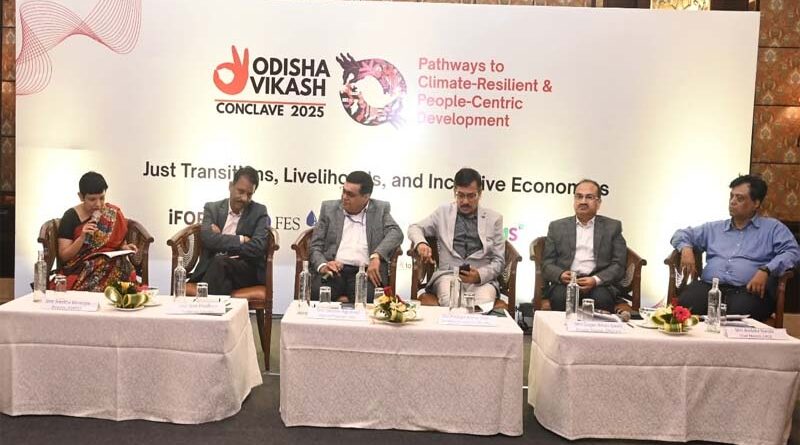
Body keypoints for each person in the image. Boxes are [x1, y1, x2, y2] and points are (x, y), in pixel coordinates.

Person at [670, 174, 799, 321]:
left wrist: (766, 269)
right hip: (709, 287)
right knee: (686, 303)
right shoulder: (714, 228)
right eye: (731, 196)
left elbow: (792, 252)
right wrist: (686, 248)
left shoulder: (772, 229)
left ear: (756, 203)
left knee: (741, 313)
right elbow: (680, 234)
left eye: (740, 198)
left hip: (748, 290)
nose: (732, 202)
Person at [408, 167, 505, 308]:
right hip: (449, 275)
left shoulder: (494, 219)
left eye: (471, 196)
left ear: (480, 194)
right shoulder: (443, 212)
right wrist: (421, 243)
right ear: (454, 192)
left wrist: (479, 275)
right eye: (460, 195)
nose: (465, 201)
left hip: (481, 280)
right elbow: (415, 227)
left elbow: (499, 261)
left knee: (482, 307)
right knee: (450, 302)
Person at [309, 171, 403, 303]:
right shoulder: (329, 208)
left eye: (350, 194)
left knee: (371, 300)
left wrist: (376, 256)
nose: (344, 197)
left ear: (366, 197)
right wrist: (323, 265)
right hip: (335, 271)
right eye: (343, 191)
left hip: (364, 272)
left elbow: (396, 233)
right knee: (316, 293)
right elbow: (315, 246)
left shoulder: (380, 209)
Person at [541, 179, 627, 314]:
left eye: (589, 197)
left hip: (599, 284)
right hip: (566, 283)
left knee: (603, 300)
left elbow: (619, 264)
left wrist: (596, 280)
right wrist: (561, 274)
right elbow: (547, 263)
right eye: (579, 196)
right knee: (560, 298)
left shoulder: (612, 227)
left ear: (598, 203)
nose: (583, 201)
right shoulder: (557, 227)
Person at [56, 171, 139, 291]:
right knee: (105, 264)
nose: (98, 204)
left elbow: (117, 243)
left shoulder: (111, 213)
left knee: (123, 264)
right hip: (81, 267)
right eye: (92, 199)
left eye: (102, 198)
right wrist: (82, 237)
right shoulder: (70, 217)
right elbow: (64, 256)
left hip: (108, 261)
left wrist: (125, 248)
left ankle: (121, 298)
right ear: (81, 196)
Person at [192, 166, 269, 295]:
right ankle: (221, 307)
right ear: (231, 186)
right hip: (213, 268)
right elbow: (207, 239)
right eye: (241, 191)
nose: (244, 198)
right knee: (222, 274)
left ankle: (204, 304)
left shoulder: (259, 211)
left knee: (220, 261)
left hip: (244, 271)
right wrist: (241, 239)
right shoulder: (212, 208)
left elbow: (258, 247)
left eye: (249, 194)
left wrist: (222, 242)